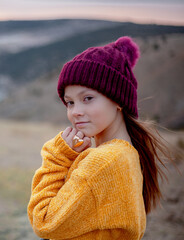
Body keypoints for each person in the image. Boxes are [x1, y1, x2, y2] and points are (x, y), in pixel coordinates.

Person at [27, 36, 174, 240]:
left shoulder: (104, 162)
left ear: (118, 100)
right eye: (70, 102)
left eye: (87, 98)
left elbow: (44, 221)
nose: (75, 112)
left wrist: (58, 158)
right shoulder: (126, 154)